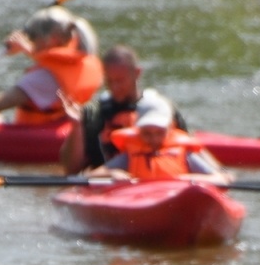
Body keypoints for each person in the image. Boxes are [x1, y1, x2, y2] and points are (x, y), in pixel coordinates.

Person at [58, 44, 189, 174]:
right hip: (108, 184)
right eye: (110, 81)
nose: (115, 87)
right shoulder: (93, 114)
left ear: (137, 73)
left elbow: (186, 153)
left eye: (120, 81)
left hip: (155, 183)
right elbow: (71, 169)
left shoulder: (162, 110)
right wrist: (76, 127)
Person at [99, 101, 230, 184]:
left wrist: (188, 179)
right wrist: (112, 174)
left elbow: (220, 179)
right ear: (138, 130)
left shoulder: (185, 155)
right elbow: (92, 174)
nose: (153, 139)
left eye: (159, 132)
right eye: (147, 133)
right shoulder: (130, 156)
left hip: (178, 199)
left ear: (170, 128)